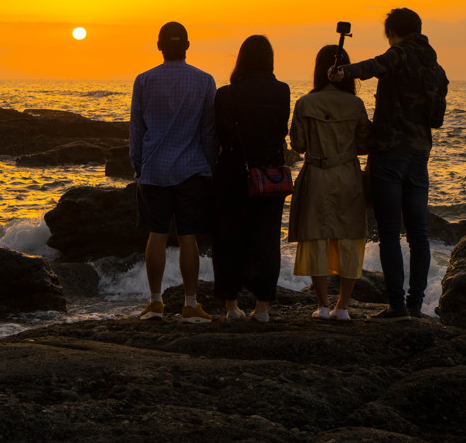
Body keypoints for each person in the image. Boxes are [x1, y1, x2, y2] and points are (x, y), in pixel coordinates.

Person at [329, 7, 448, 321]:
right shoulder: (436, 69)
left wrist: (344, 72)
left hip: (388, 155)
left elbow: (374, 66)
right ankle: (416, 305)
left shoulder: (399, 54)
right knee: (419, 234)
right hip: (419, 156)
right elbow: (436, 120)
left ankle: (396, 306)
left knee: (391, 232)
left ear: (392, 32)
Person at [130, 21, 217, 323]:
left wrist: (138, 166)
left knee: (156, 234)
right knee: (188, 237)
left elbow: (136, 131)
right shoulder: (205, 81)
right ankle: (190, 304)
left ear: (159, 46)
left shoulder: (143, 81)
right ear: (188, 47)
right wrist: (210, 166)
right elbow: (208, 132)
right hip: (193, 169)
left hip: (154, 169)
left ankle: (155, 303)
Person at [212, 35, 291, 323]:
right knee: (267, 238)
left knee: (229, 237)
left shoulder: (226, 94)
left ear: (241, 59)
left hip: (232, 171)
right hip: (268, 172)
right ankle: (262, 307)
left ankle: (231, 305)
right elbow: (281, 131)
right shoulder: (282, 91)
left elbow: (218, 135)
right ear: (269, 59)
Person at [289, 45, 370, 322]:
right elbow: (364, 145)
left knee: (316, 238)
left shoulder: (305, 103)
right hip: (347, 174)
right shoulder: (355, 104)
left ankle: (322, 305)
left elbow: (298, 145)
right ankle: (343, 306)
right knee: (349, 238)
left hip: (316, 175)